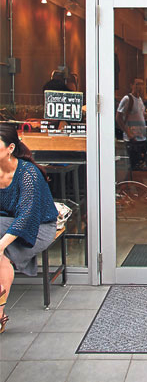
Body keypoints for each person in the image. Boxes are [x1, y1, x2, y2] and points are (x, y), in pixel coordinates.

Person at [0, 123, 60, 334]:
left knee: (1, 250)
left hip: (39, 227)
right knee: (2, 257)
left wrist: (0, 245)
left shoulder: (27, 173)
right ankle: (0, 315)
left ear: (10, 149)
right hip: (8, 224)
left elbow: (27, 217)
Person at [116, 78, 147, 171]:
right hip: (132, 138)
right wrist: (129, 133)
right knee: (134, 166)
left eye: (141, 84)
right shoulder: (127, 99)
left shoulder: (140, 99)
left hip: (141, 137)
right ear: (131, 85)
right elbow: (118, 117)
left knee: (140, 165)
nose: (139, 87)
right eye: (137, 84)